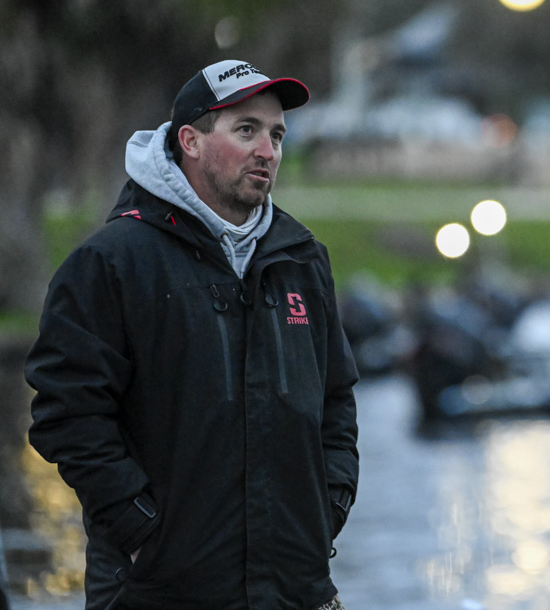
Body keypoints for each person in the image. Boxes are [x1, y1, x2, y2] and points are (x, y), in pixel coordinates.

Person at [25, 60, 359, 610]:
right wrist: (140, 530)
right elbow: (66, 414)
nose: (267, 151)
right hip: (158, 591)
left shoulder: (302, 259)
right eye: (246, 130)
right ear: (191, 141)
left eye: (276, 135)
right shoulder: (111, 261)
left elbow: (336, 401)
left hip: (294, 590)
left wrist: (328, 509)